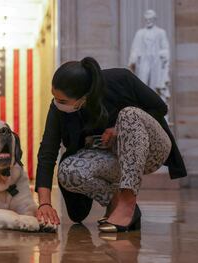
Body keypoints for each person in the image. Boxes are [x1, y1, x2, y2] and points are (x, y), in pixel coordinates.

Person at [35, 57, 186, 232]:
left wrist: (118, 129)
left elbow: (160, 107)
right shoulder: (59, 108)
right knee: (69, 171)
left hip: (151, 151)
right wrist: (44, 203)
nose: (56, 103)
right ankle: (118, 202)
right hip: (112, 161)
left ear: (85, 97)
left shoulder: (121, 79)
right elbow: (48, 151)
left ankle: (128, 202)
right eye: (54, 97)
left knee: (129, 115)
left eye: (62, 101)